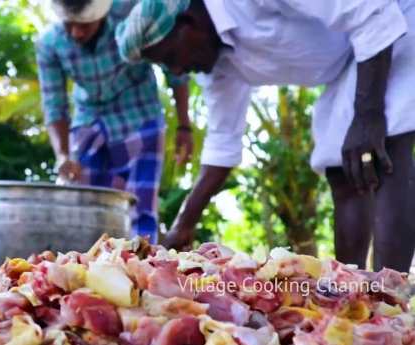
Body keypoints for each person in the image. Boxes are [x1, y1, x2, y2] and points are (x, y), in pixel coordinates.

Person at [115, 0, 415, 272]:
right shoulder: (216, 66)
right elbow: (222, 145)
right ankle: (355, 293)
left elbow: (369, 12)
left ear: (188, 23)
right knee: (342, 168)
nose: (178, 69)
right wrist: (183, 225)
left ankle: (393, 299)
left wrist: (368, 115)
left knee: (384, 143)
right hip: (349, 60)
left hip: (394, 17)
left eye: (170, 58)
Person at [36, 0, 193, 243]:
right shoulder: (49, 44)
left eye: (84, 25)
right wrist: (63, 155)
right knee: (81, 205)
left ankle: (140, 269)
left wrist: (184, 124)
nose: (77, 33)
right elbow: (54, 104)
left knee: (140, 209)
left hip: (140, 114)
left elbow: (173, 66)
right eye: (70, 25)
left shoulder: (130, 12)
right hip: (90, 120)